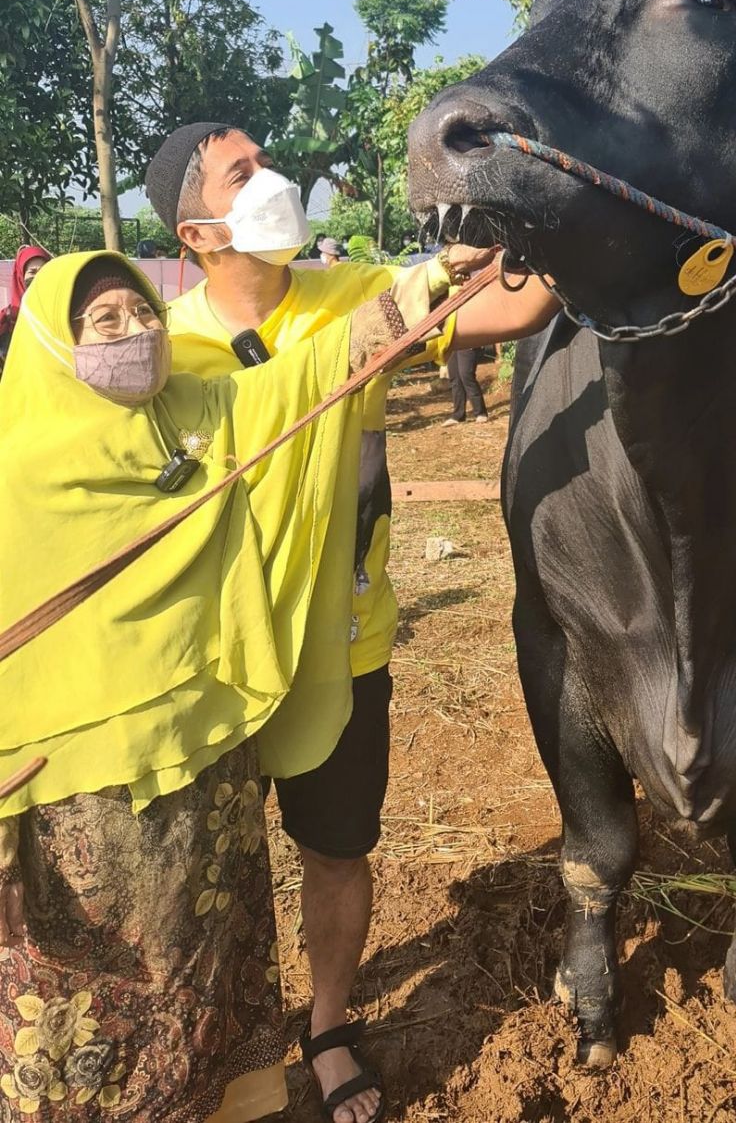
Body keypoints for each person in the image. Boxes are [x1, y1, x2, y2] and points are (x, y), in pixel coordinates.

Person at [145, 122, 560, 1123]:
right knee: (204, 873)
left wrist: (553, 219)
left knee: (335, 848)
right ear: (198, 232)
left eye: (264, 160)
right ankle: (210, 1045)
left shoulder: (358, 293)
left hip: (344, 647)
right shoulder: (164, 351)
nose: (273, 180)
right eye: (243, 173)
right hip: (213, 662)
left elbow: (516, 298)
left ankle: (327, 1024)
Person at [0, 248, 433, 1121]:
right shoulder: (15, 474)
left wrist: (429, 283)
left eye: (144, 314)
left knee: (210, 973)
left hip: (210, 778)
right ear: (53, 340)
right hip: (77, 805)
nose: (136, 334)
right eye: (106, 323)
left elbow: (311, 370)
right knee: (90, 1011)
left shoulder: (192, 413)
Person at [0, 246, 50, 376]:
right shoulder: (7, 320)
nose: (38, 277)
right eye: (32, 272)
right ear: (20, 276)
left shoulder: (62, 313)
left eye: (45, 271)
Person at [444, 345, 488, 424]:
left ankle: (480, 412)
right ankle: (458, 415)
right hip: (451, 345)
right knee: (455, 379)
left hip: (468, 343)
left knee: (466, 375)